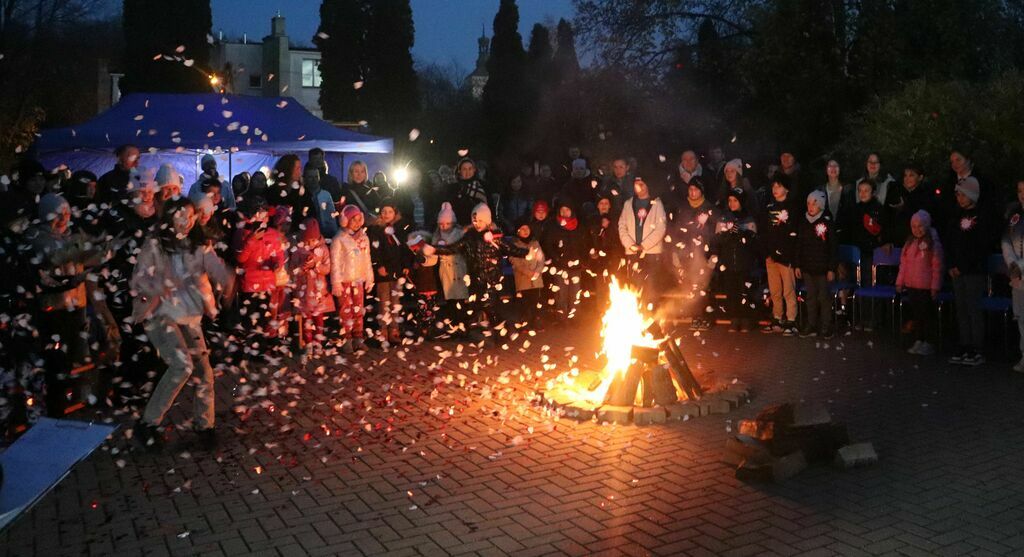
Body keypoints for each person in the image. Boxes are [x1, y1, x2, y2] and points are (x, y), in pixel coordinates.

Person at [130, 198, 233, 450]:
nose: (186, 221)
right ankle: (148, 425)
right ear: (169, 218)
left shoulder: (198, 246)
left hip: (190, 318)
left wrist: (227, 282)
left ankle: (205, 427)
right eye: (180, 215)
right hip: (161, 316)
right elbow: (138, 280)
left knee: (204, 373)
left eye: (190, 216)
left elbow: (217, 270)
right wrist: (160, 286)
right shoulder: (155, 245)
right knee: (181, 366)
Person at [424, 203, 529, 340]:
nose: (477, 224)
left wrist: (527, 253)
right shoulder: (470, 237)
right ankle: (474, 331)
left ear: (487, 221)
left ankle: (502, 333)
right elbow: (453, 248)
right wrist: (434, 249)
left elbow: (510, 249)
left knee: (491, 308)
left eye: (480, 221)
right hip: (475, 280)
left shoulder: (495, 238)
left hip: (492, 280)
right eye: (475, 221)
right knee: (477, 307)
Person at [946, 177, 991, 366]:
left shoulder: (981, 217)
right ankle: (965, 343)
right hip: (957, 270)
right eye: (958, 194)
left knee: (973, 308)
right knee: (961, 308)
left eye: (963, 194)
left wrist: (963, 265)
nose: (960, 198)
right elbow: (951, 242)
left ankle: (977, 347)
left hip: (973, 270)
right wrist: (951, 265)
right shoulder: (956, 216)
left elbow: (980, 246)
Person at [236, 199, 289, 344]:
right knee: (250, 318)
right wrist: (251, 240)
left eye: (264, 216)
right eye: (259, 215)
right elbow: (240, 258)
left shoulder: (272, 234)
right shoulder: (243, 233)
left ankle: (261, 346)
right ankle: (248, 348)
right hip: (250, 284)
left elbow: (278, 254)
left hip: (267, 283)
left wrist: (277, 263)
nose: (262, 219)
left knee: (264, 316)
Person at [670, 175, 717, 330]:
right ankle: (696, 316)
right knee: (691, 285)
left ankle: (706, 316)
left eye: (696, 189)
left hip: (704, 253)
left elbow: (716, 233)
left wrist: (713, 254)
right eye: (690, 189)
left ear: (701, 191)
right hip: (687, 253)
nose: (692, 192)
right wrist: (676, 253)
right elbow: (677, 231)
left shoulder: (709, 209)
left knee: (703, 285)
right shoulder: (683, 208)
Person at [896, 210, 944, 357]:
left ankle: (929, 342)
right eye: (914, 226)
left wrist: (935, 286)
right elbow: (903, 264)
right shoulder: (910, 242)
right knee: (916, 315)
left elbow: (937, 266)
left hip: (926, 287)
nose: (917, 229)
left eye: (920, 226)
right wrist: (900, 281)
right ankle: (919, 339)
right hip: (912, 285)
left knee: (927, 315)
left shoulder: (932, 244)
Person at [715, 188, 760, 332]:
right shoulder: (723, 218)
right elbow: (718, 240)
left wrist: (741, 233)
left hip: (744, 263)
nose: (732, 203)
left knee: (745, 291)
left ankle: (746, 319)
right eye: (730, 200)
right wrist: (729, 233)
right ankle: (734, 319)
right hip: (729, 262)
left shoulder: (748, 218)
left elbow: (753, 241)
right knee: (731, 292)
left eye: (735, 200)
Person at [761, 174, 800, 336]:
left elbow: (795, 235)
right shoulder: (769, 207)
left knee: (788, 291)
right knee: (775, 290)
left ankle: (792, 320)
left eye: (779, 186)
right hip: (771, 257)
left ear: (786, 188)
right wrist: (767, 253)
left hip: (787, 257)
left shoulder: (793, 207)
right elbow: (764, 231)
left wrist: (792, 257)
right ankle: (777, 317)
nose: (775, 190)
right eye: (773, 187)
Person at [331, 205, 374, 353]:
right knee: (345, 310)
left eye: (358, 219)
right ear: (345, 221)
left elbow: (367, 259)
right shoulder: (339, 238)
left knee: (358, 309)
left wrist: (369, 277)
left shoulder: (363, 237)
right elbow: (335, 262)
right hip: (344, 280)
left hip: (358, 280)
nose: (356, 223)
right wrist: (336, 282)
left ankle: (358, 338)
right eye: (352, 220)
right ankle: (347, 339)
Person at [368, 200, 412, 344]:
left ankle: (394, 329)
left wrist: (406, 265)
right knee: (384, 301)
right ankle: (383, 330)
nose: (387, 214)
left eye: (390, 212)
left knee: (395, 301)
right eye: (384, 211)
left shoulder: (399, 229)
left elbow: (405, 248)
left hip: (397, 270)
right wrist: (379, 265)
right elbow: (374, 250)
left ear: (395, 213)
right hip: (383, 271)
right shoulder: (376, 229)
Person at [794, 191, 837, 339]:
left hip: (823, 269)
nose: (811, 206)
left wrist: (831, 268)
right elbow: (799, 245)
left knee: (824, 297)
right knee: (811, 297)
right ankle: (811, 324)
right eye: (809, 203)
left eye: (815, 203)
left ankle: (826, 325)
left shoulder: (826, 222)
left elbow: (832, 247)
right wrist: (798, 265)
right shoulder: (803, 222)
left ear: (821, 205)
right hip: (807, 267)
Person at [289, 218, 334, 359]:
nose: (310, 243)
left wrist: (316, 266)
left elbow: (327, 268)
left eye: (312, 240)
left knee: (319, 318)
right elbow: (292, 269)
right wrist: (302, 267)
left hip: (319, 291)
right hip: (304, 291)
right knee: (307, 319)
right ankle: (308, 343)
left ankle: (318, 343)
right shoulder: (298, 250)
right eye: (307, 241)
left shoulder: (323, 249)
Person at [618, 178, 667, 304]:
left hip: (651, 253)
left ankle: (651, 317)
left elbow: (660, 228)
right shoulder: (628, 203)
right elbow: (622, 225)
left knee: (651, 286)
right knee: (634, 286)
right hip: (633, 253)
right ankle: (636, 314)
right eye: (636, 184)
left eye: (642, 184)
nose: (639, 187)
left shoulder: (656, 203)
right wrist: (630, 245)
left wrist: (644, 246)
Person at [432, 202, 470, 334]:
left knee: (461, 298)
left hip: (459, 267)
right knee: (451, 299)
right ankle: (453, 326)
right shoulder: (437, 235)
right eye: (441, 224)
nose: (444, 226)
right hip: (446, 269)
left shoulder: (459, 233)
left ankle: (463, 325)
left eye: (447, 223)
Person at [883, 163, 936, 255]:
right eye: (905, 175)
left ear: (920, 177)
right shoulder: (895, 193)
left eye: (911, 175)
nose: (907, 178)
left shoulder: (926, 195)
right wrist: (886, 240)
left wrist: (905, 208)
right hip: (896, 244)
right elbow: (887, 217)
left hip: (917, 245)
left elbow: (925, 220)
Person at [546, 203, 586, 320]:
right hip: (559, 267)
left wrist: (581, 259)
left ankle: (574, 317)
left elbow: (583, 244)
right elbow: (549, 245)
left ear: (572, 211)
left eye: (567, 210)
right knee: (561, 294)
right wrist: (556, 258)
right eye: (562, 210)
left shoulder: (578, 226)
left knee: (575, 293)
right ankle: (562, 318)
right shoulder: (554, 227)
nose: (564, 213)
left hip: (575, 267)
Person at [1001, 180, 1024, 372]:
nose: (1022, 194)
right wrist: (1012, 264)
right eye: (1020, 191)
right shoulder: (1014, 216)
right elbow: (1006, 241)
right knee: (1021, 317)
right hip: (1018, 276)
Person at [847, 178, 886, 287]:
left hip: (872, 251)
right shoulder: (854, 209)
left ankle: (870, 303)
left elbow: (881, 230)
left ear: (873, 192)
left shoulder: (878, 209)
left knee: (869, 280)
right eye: (860, 190)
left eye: (866, 190)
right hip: (857, 251)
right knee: (856, 281)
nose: (862, 193)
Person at [510, 221, 545, 326]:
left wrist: (537, 271)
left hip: (536, 279)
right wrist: (527, 272)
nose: (525, 231)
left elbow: (541, 259)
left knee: (536, 301)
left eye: (527, 228)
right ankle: (525, 322)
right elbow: (514, 261)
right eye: (522, 229)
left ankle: (536, 320)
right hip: (522, 279)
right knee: (524, 302)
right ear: (518, 231)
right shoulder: (515, 245)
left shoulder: (535, 243)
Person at [304, 162, 340, 239]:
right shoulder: (301, 195)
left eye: (316, 177)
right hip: (307, 235)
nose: (314, 180)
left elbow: (331, 217)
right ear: (305, 178)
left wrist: (334, 235)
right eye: (310, 177)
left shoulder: (326, 195)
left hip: (325, 234)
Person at [819, 159, 853, 238]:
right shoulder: (819, 190)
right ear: (826, 169)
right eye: (830, 166)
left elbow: (851, 214)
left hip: (843, 234)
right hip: (824, 233)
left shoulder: (848, 190)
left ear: (840, 169)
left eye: (836, 166)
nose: (833, 168)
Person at [449, 158, 488, 225]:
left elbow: (489, 204)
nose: (467, 172)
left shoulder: (482, 185)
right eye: (464, 169)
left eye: (470, 169)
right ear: (459, 171)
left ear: (474, 170)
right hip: (460, 224)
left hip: (481, 223)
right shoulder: (454, 187)